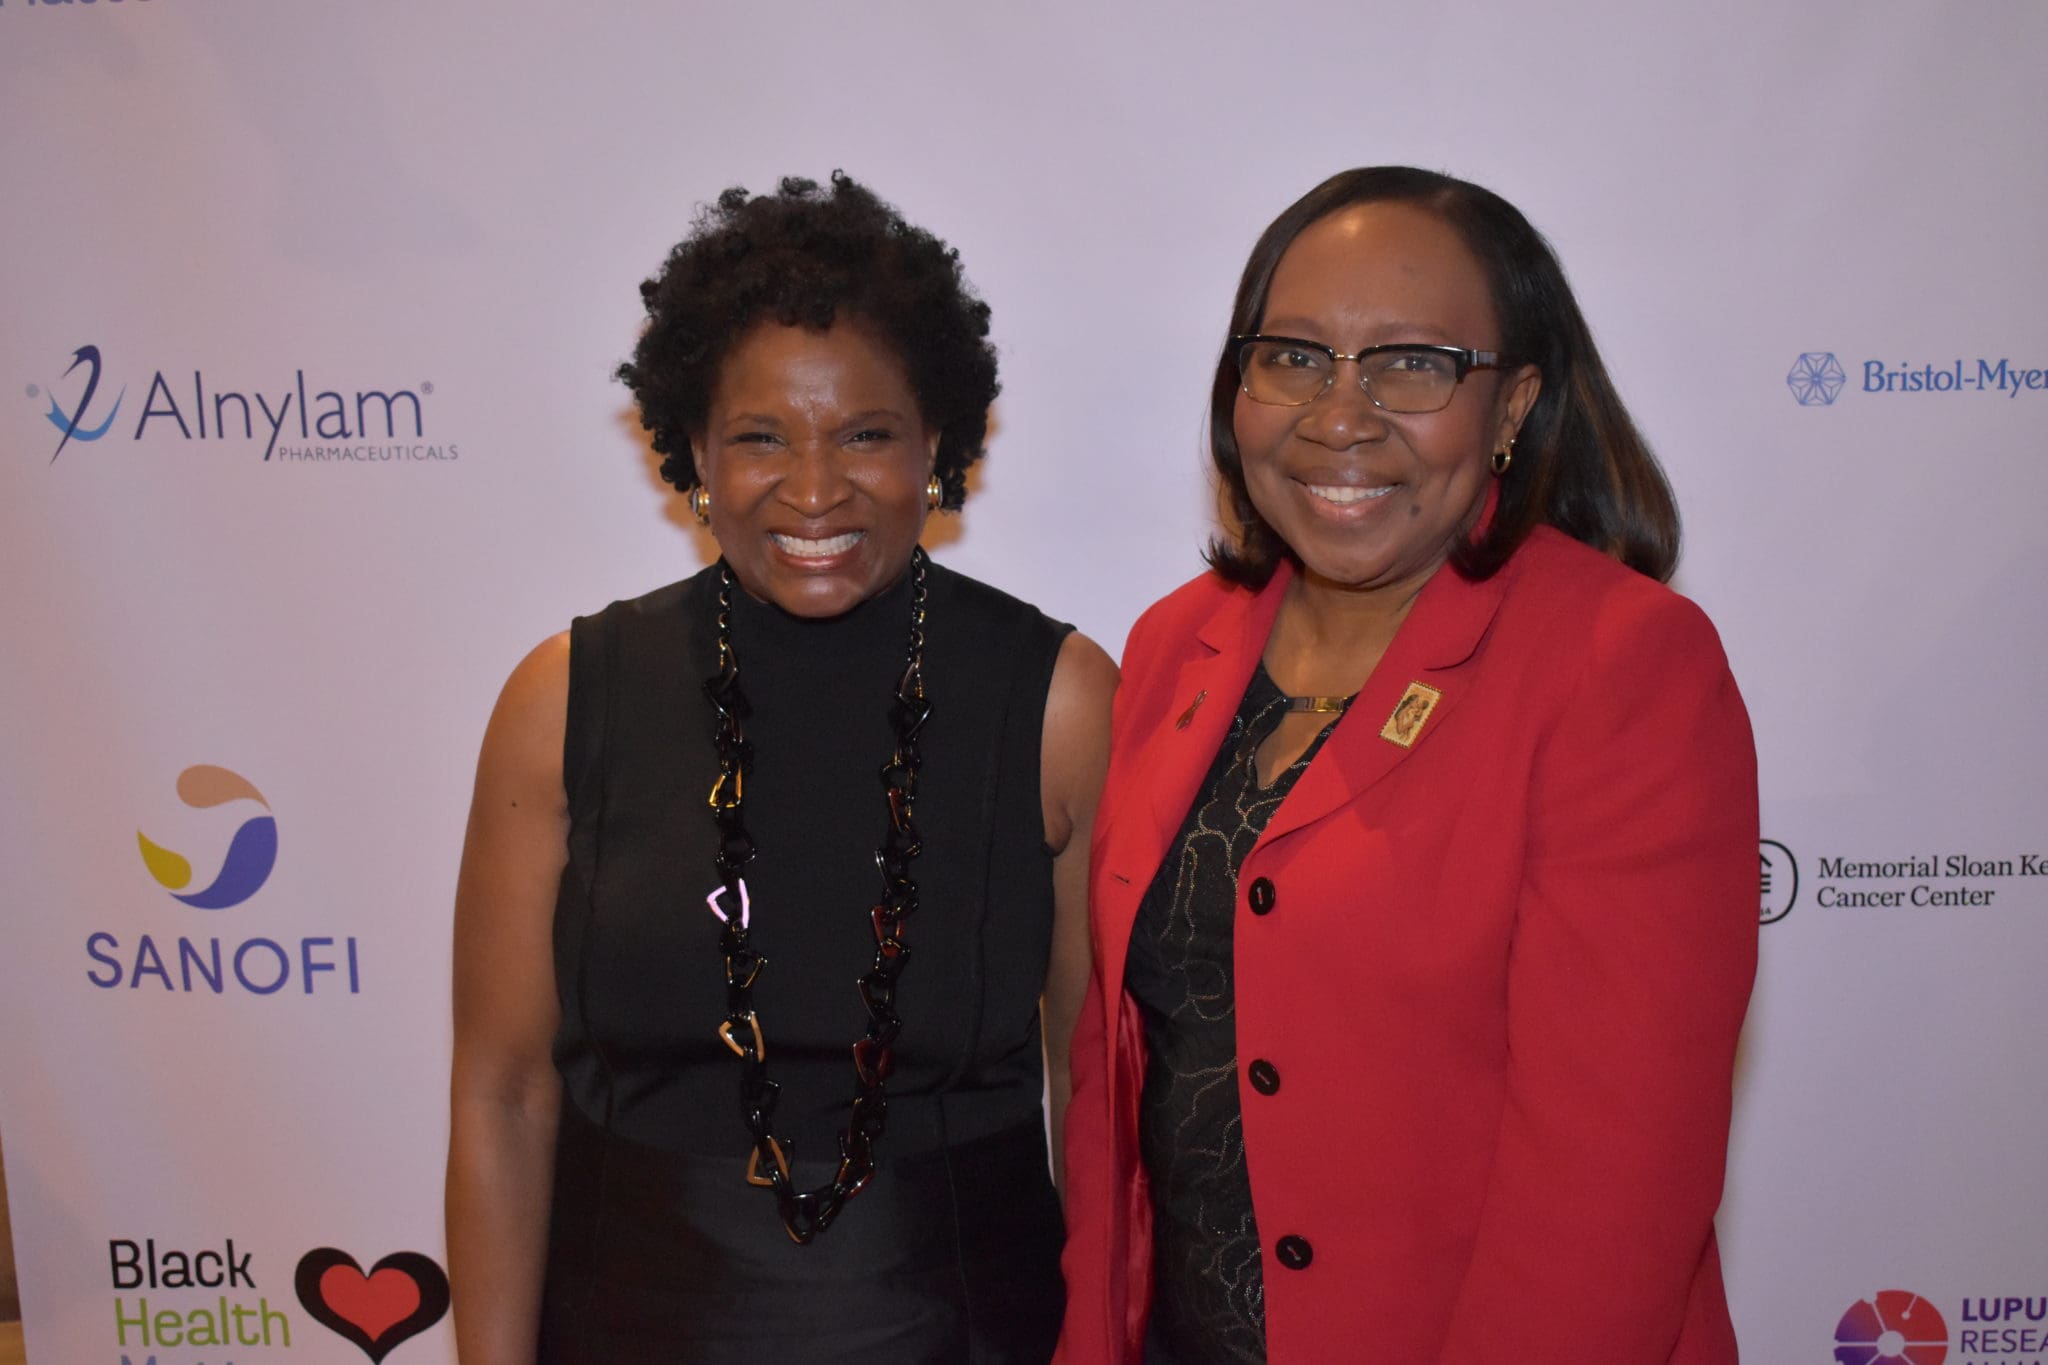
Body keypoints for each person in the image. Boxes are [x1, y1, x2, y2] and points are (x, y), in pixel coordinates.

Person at [1055, 167, 1758, 1364]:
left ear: (1512, 405)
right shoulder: (1175, 644)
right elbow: (1118, 1084)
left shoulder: (1619, 665)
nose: (1340, 416)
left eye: (1411, 365)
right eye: (1293, 357)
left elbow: (1611, 1192)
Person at [448, 173, 1115, 1365]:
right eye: (761, 437)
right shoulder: (563, 698)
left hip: (965, 1335)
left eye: (865, 434)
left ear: (935, 445)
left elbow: (1095, 1093)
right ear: (693, 450)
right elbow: (502, 1093)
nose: (813, 490)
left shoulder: (1058, 701)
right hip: (625, 1333)